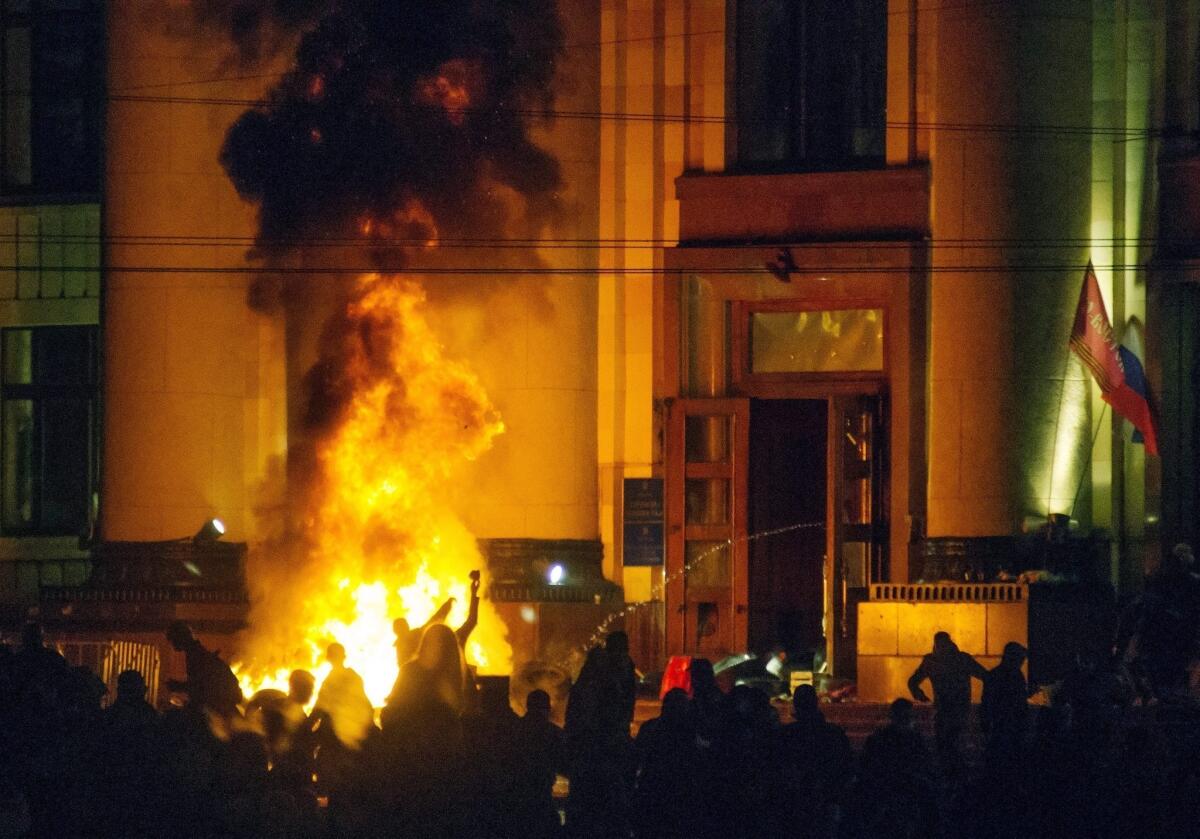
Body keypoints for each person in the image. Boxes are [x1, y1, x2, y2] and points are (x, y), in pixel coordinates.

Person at [908, 630, 987, 773]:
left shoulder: (956, 660)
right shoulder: (940, 661)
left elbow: (985, 676)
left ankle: (952, 770)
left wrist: (918, 693)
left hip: (956, 708)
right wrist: (918, 693)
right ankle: (953, 771)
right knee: (946, 742)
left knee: (949, 741)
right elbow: (913, 681)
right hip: (947, 708)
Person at [165, 620, 243, 717]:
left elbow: (201, 687)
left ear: (179, 638)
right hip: (222, 710)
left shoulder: (196, 656)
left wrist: (178, 686)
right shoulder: (197, 654)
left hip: (219, 713)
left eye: (172, 640)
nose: (172, 645)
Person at [313, 642, 373, 746]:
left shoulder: (329, 682)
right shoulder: (354, 676)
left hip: (335, 738)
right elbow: (366, 704)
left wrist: (305, 727)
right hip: (355, 736)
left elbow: (319, 709)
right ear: (343, 657)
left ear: (328, 658)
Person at [981, 641, 1030, 758]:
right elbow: (992, 700)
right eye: (1020, 659)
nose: (1022, 662)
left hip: (1009, 723)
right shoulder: (1007, 675)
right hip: (1004, 723)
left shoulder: (1013, 674)